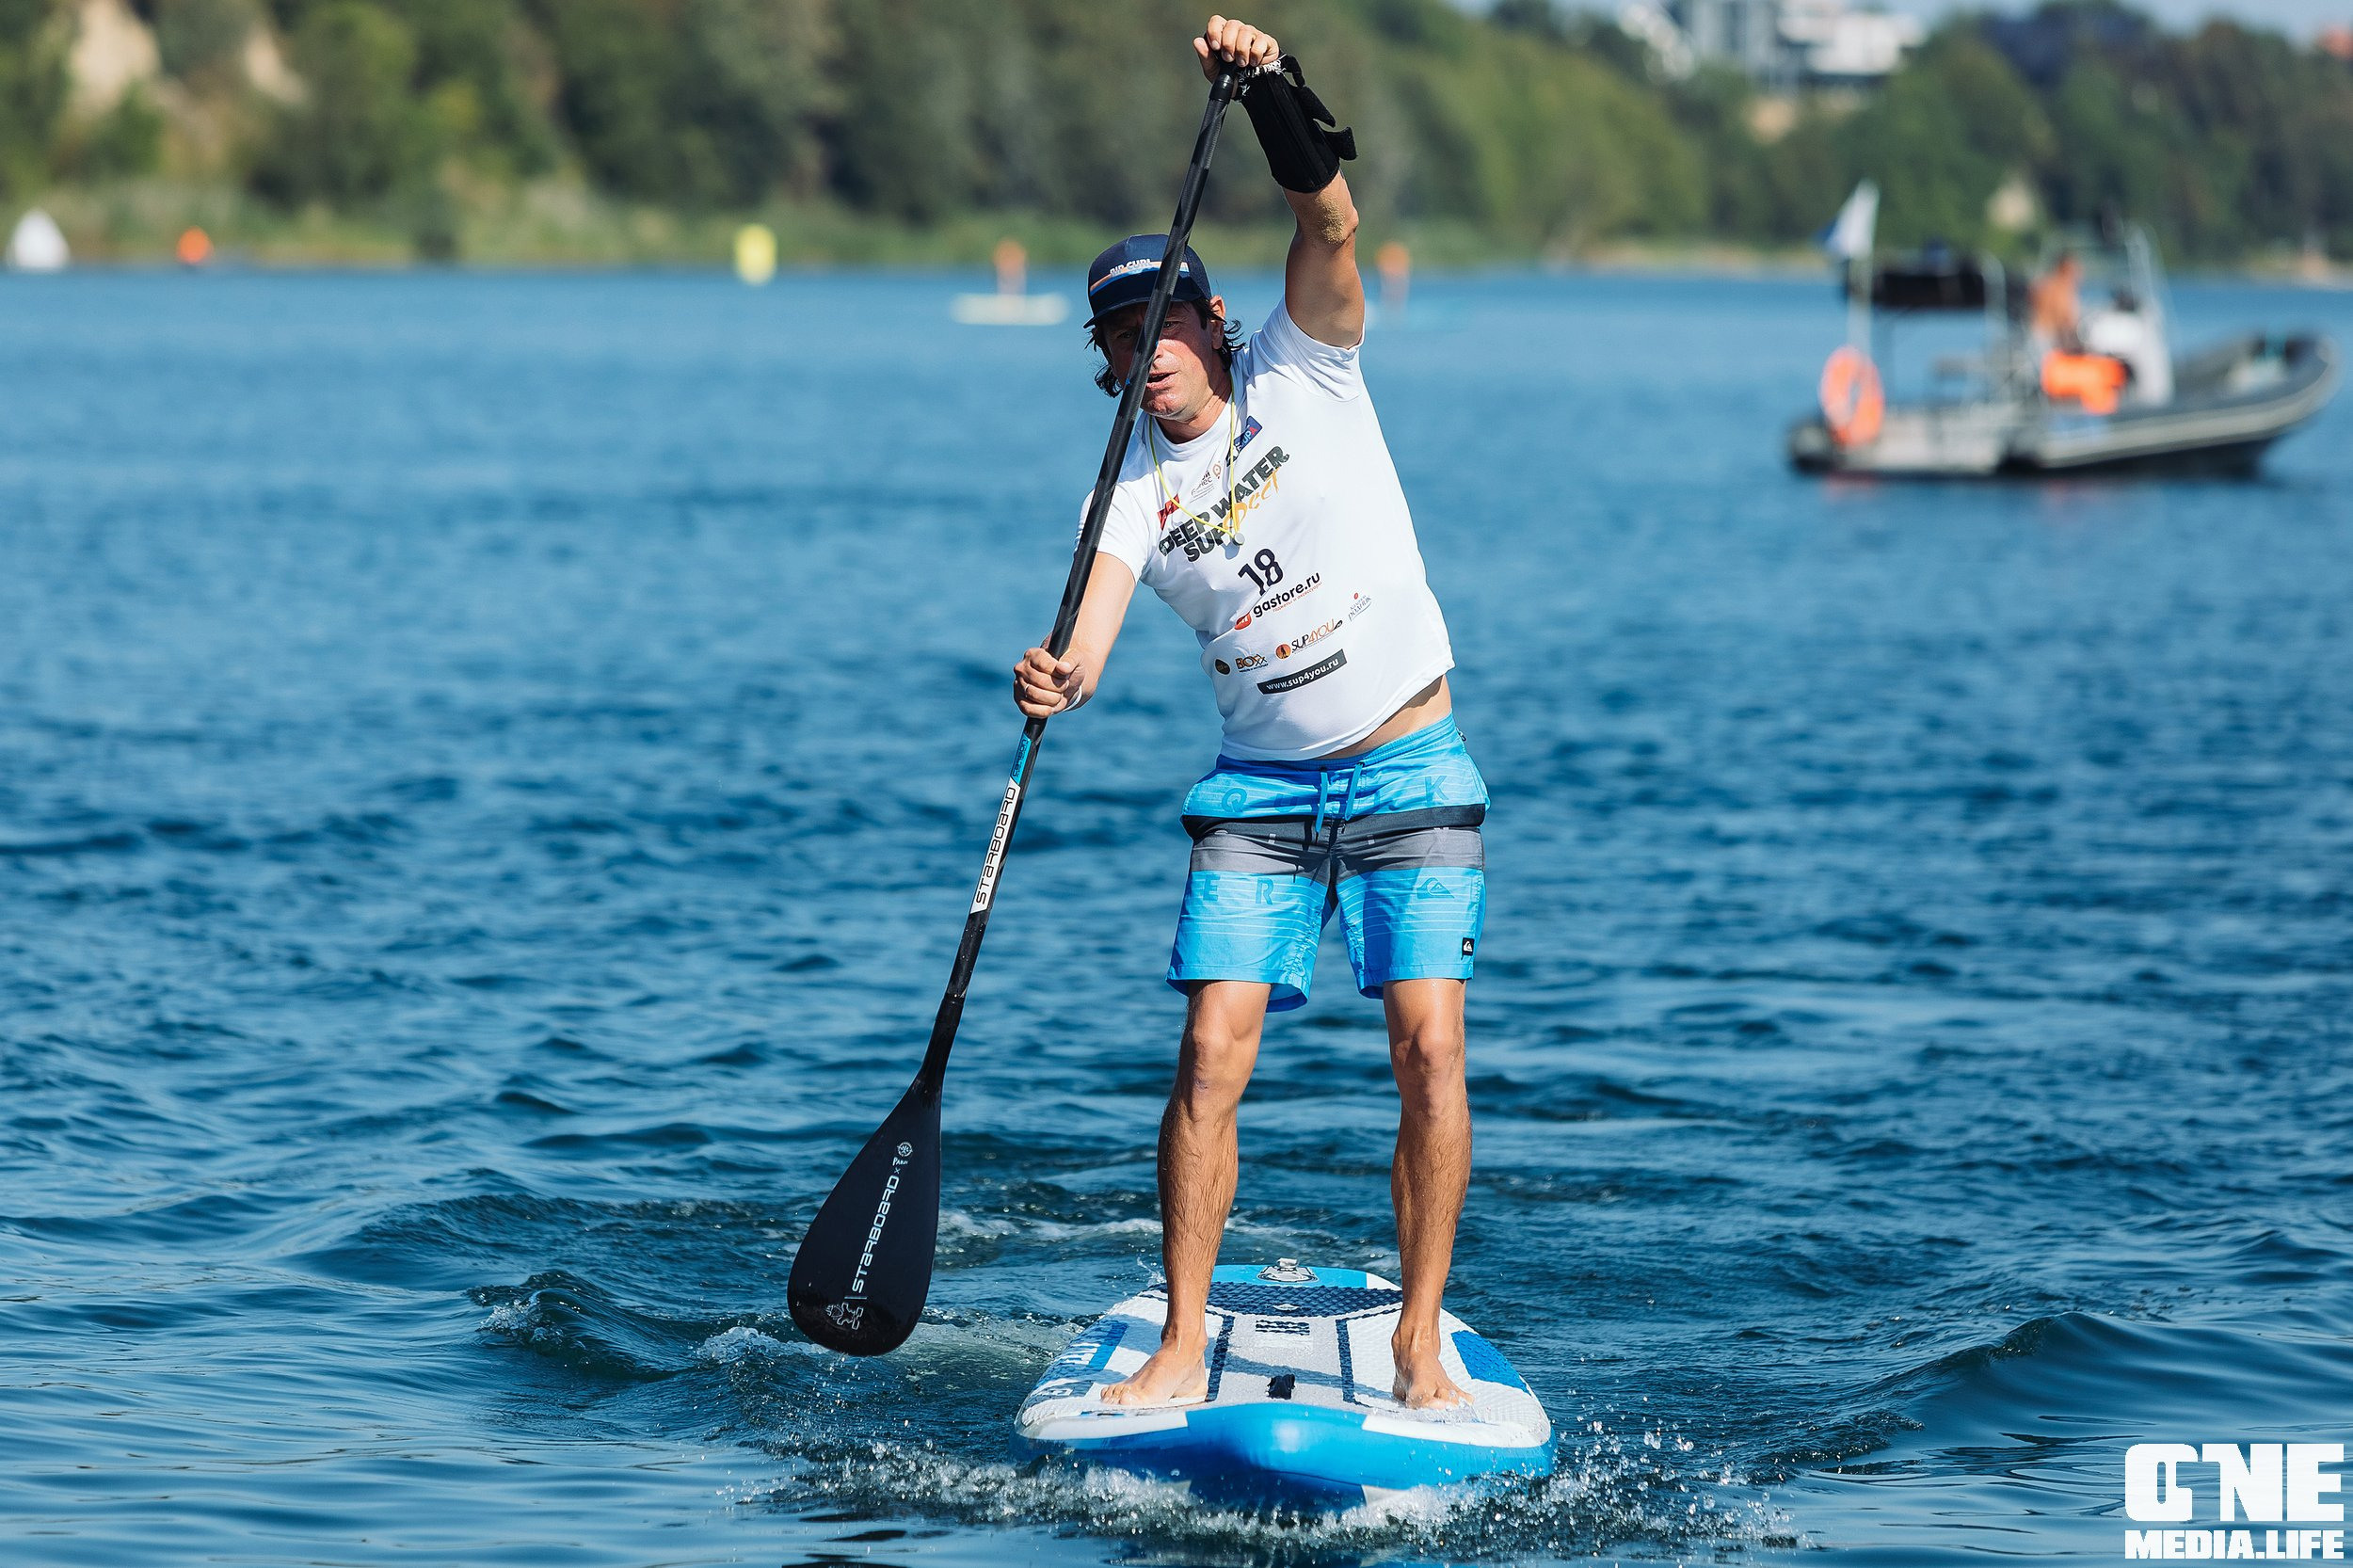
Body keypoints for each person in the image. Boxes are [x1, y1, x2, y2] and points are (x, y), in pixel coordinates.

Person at [1011, 15, 1483, 1412]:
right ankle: (1178, 1337)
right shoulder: (1129, 490)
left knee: (1428, 1041)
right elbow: (1085, 634)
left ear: (1209, 322)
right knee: (1212, 1047)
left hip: (1407, 757)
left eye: (1161, 321)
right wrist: (1057, 676)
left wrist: (1274, 87)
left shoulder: (1308, 367)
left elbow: (1329, 218)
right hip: (1262, 797)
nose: (1143, 350)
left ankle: (1417, 1332)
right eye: (1115, 336)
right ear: (1105, 364)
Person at [2028, 248, 2085, 355]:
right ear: (2067, 269)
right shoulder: (2064, 289)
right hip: (2051, 340)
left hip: (2036, 337)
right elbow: (2067, 319)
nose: (2080, 274)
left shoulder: (2044, 284)